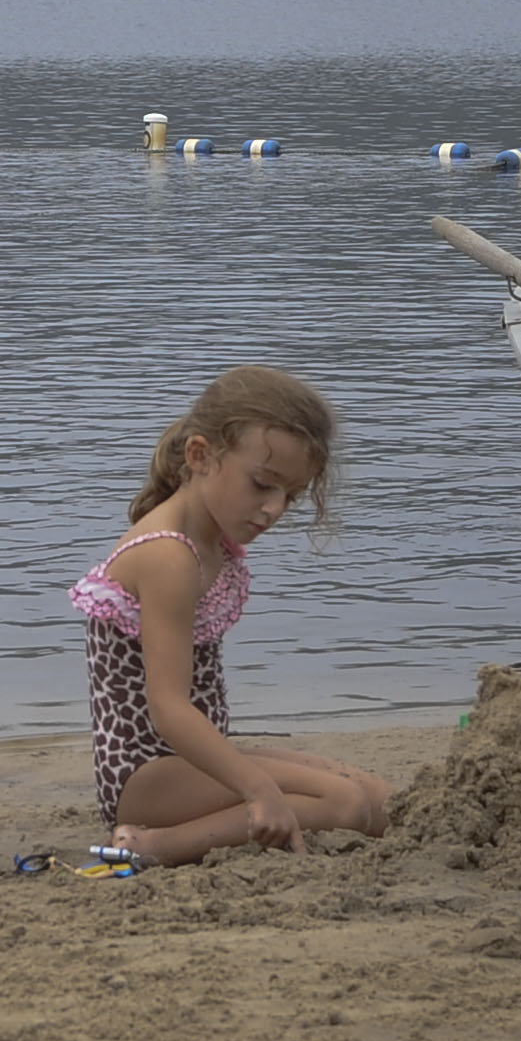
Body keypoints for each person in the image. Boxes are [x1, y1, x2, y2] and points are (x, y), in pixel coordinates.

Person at [68, 365, 395, 865]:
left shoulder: (211, 537)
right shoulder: (168, 556)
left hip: (190, 761)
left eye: (290, 495)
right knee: (344, 802)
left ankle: (200, 820)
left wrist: (256, 780)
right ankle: (153, 845)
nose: (274, 509)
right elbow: (169, 709)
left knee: (379, 798)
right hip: (147, 776)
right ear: (201, 456)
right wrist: (259, 787)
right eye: (263, 485)